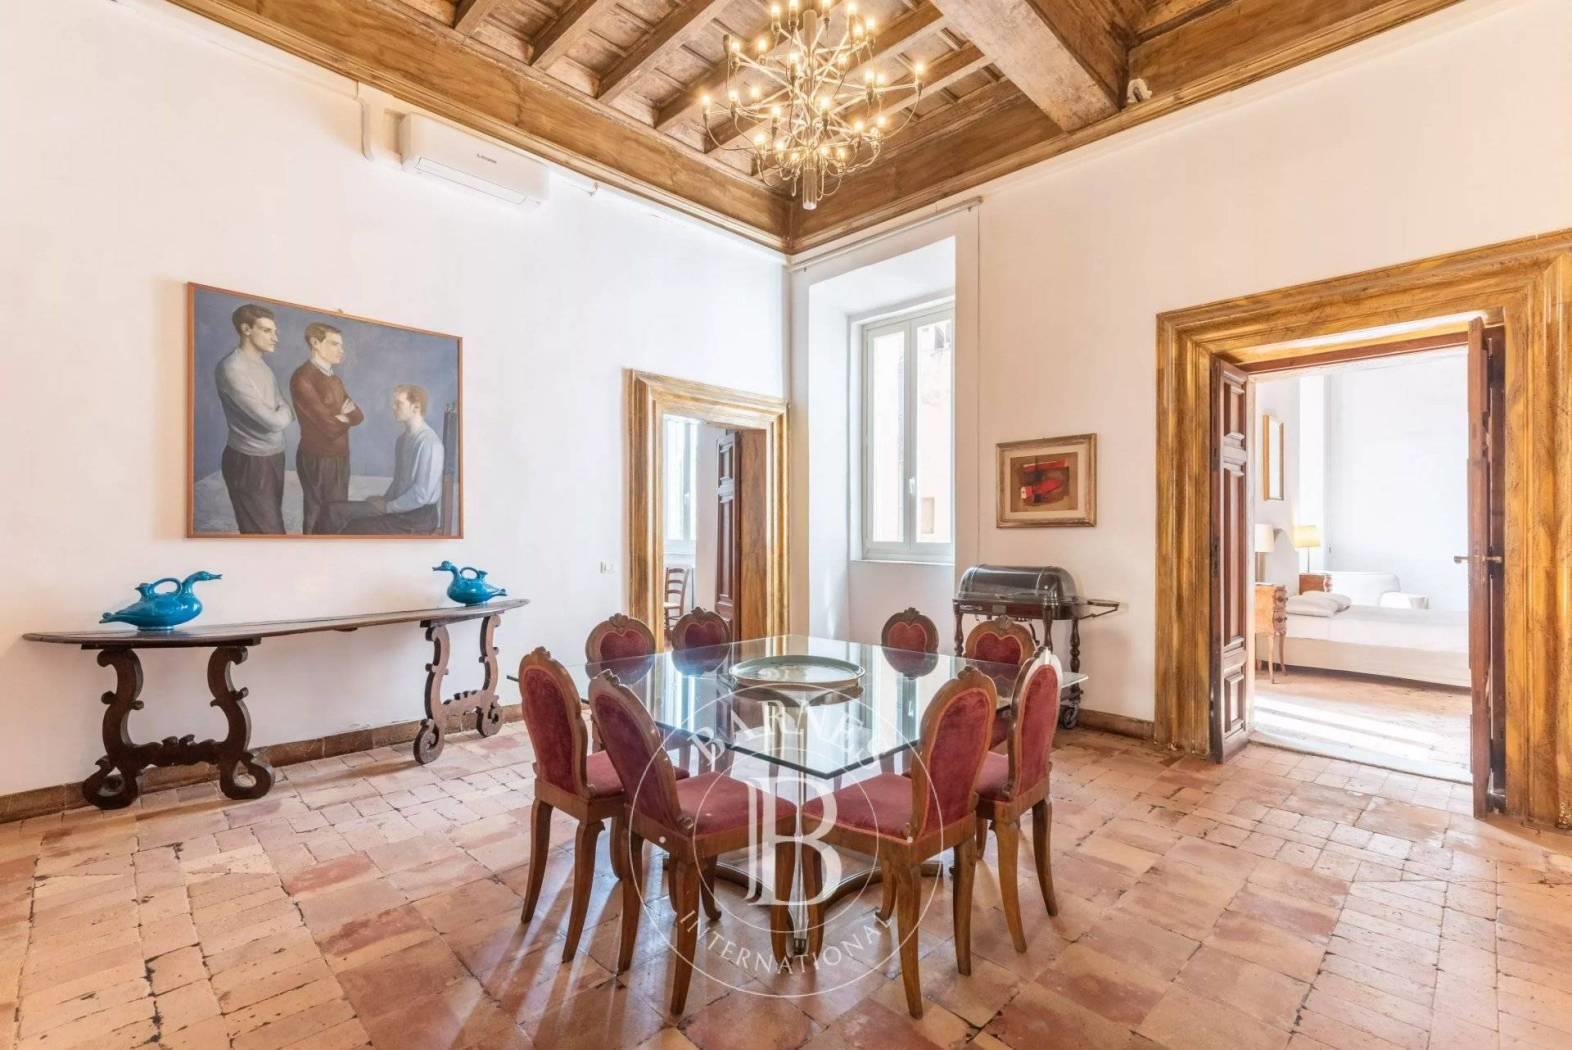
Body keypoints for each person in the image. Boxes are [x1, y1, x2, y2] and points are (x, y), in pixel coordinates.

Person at [214, 304, 293, 533]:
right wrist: (280, 414)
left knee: (271, 530)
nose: (275, 338)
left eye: (274, 331)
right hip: (248, 461)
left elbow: (285, 409)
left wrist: (281, 413)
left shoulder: (262, 366)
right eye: (267, 331)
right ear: (246, 329)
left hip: (273, 456)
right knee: (266, 534)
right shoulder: (232, 368)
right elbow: (274, 422)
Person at [329, 384, 444, 534]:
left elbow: (421, 495)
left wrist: (387, 507)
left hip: (418, 518)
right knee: (334, 511)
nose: (393, 407)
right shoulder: (402, 440)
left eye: (398, 403)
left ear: (416, 407)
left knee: (353, 527)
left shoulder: (429, 443)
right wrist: (384, 499)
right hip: (399, 507)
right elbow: (399, 481)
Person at [289, 323, 364, 534]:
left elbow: (358, 415)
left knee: (338, 513)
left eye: (341, 345)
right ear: (315, 343)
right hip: (316, 458)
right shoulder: (302, 378)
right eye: (334, 344)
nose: (341, 350)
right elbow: (328, 427)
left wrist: (339, 417)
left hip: (340, 456)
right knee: (316, 514)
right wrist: (340, 416)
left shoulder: (335, 379)